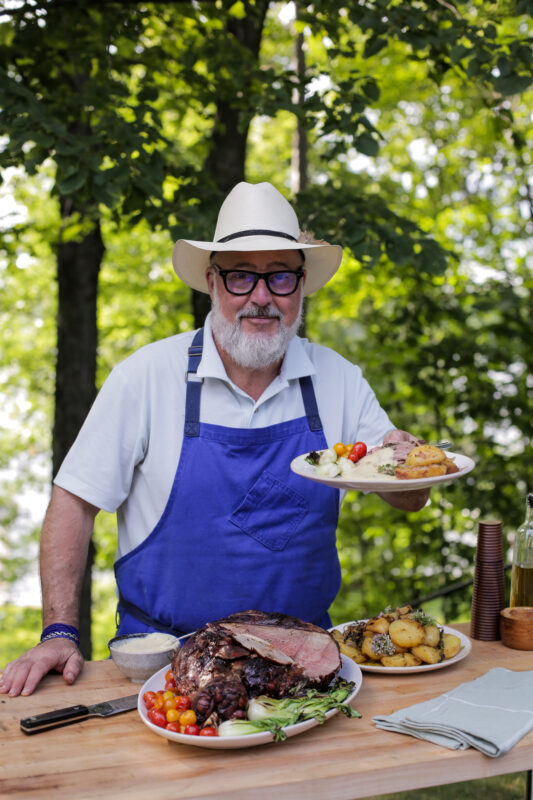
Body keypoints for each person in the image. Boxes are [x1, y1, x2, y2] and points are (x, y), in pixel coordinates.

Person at [0, 181, 428, 697]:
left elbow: (410, 497)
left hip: (304, 671)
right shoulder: (147, 376)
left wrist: (407, 463)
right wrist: (59, 632)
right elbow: (73, 501)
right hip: (164, 669)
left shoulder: (337, 379)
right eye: (241, 276)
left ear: (302, 285)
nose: (261, 297)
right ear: (212, 282)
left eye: (280, 278)